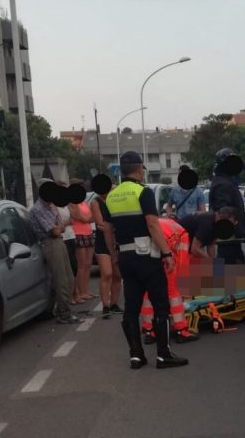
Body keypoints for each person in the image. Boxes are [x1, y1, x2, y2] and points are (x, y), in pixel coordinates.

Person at [105, 151, 188, 369]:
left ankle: (136, 355)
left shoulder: (112, 196)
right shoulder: (142, 192)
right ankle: (163, 354)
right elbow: (152, 224)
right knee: (161, 306)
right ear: (139, 168)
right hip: (147, 258)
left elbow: (108, 229)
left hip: (125, 256)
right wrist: (167, 254)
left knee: (131, 307)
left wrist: (114, 255)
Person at [141, 217, 199, 344]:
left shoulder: (155, 223)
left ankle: (149, 330)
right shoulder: (183, 234)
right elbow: (183, 263)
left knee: (147, 293)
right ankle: (181, 330)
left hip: (143, 252)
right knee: (174, 292)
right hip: (164, 253)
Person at [30, 182, 82, 324]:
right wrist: (62, 225)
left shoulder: (51, 206)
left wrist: (61, 226)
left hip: (59, 241)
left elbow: (60, 229)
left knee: (69, 277)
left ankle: (62, 308)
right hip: (49, 242)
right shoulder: (38, 209)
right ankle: (64, 313)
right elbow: (54, 230)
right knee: (61, 279)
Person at [91, 177, 123, 319]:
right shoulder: (95, 202)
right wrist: (112, 227)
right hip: (102, 242)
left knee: (117, 275)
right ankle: (105, 305)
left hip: (117, 241)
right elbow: (100, 224)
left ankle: (114, 304)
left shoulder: (115, 200)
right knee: (107, 273)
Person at [209, 148, 245, 264]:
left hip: (230, 238)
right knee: (232, 266)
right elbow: (224, 211)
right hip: (228, 239)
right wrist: (239, 224)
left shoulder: (225, 181)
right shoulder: (223, 185)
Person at [69, 179, 96, 304]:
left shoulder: (84, 201)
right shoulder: (71, 202)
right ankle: (79, 291)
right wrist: (87, 218)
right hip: (78, 233)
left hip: (88, 232)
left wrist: (87, 218)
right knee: (81, 265)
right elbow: (78, 216)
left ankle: (86, 290)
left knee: (88, 264)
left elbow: (91, 217)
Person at [56, 181, 78, 279]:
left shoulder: (66, 204)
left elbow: (74, 218)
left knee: (74, 265)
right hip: (62, 238)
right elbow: (57, 223)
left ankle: (76, 292)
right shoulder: (54, 205)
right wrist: (66, 222)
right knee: (68, 266)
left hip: (71, 236)